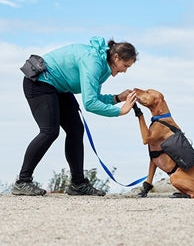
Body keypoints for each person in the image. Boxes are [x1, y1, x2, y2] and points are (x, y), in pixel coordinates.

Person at [12, 36, 138, 196]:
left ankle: (78, 184)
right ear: (116, 57)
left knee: (76, 129)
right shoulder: (93, 62)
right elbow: (90, 103)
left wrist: (117, 98)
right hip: (39, 82)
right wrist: (120, 111)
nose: (125, 70)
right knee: (49, 131)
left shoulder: (102, 66)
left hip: (58, 87)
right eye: (125, 65)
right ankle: (23, 182)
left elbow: (94, 96)